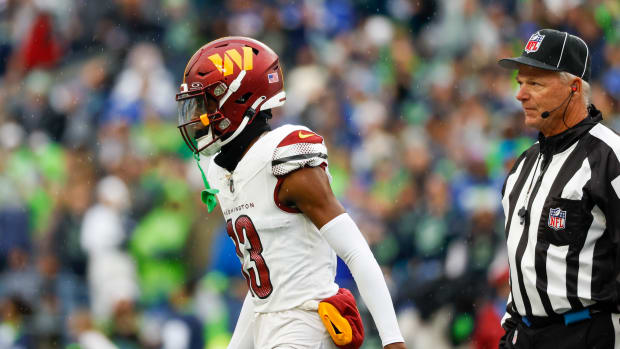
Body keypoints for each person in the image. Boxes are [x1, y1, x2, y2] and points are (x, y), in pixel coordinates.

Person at [174, 37, 406, 349]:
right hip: (271, 325)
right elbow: (266, 291)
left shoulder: (283, 157)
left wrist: (393, 341)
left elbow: (355, 252)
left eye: (207, 101)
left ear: (239, 97)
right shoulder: (228, 170)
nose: (199, 115)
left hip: (306, 325)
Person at [497, 28, 620, 348]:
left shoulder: (610, 157)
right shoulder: (522, 166)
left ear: (574, 88)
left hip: (585, 334)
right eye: (520, 82)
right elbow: (523, 262)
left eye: (535, 83)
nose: (520, 94)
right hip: (523, 335)